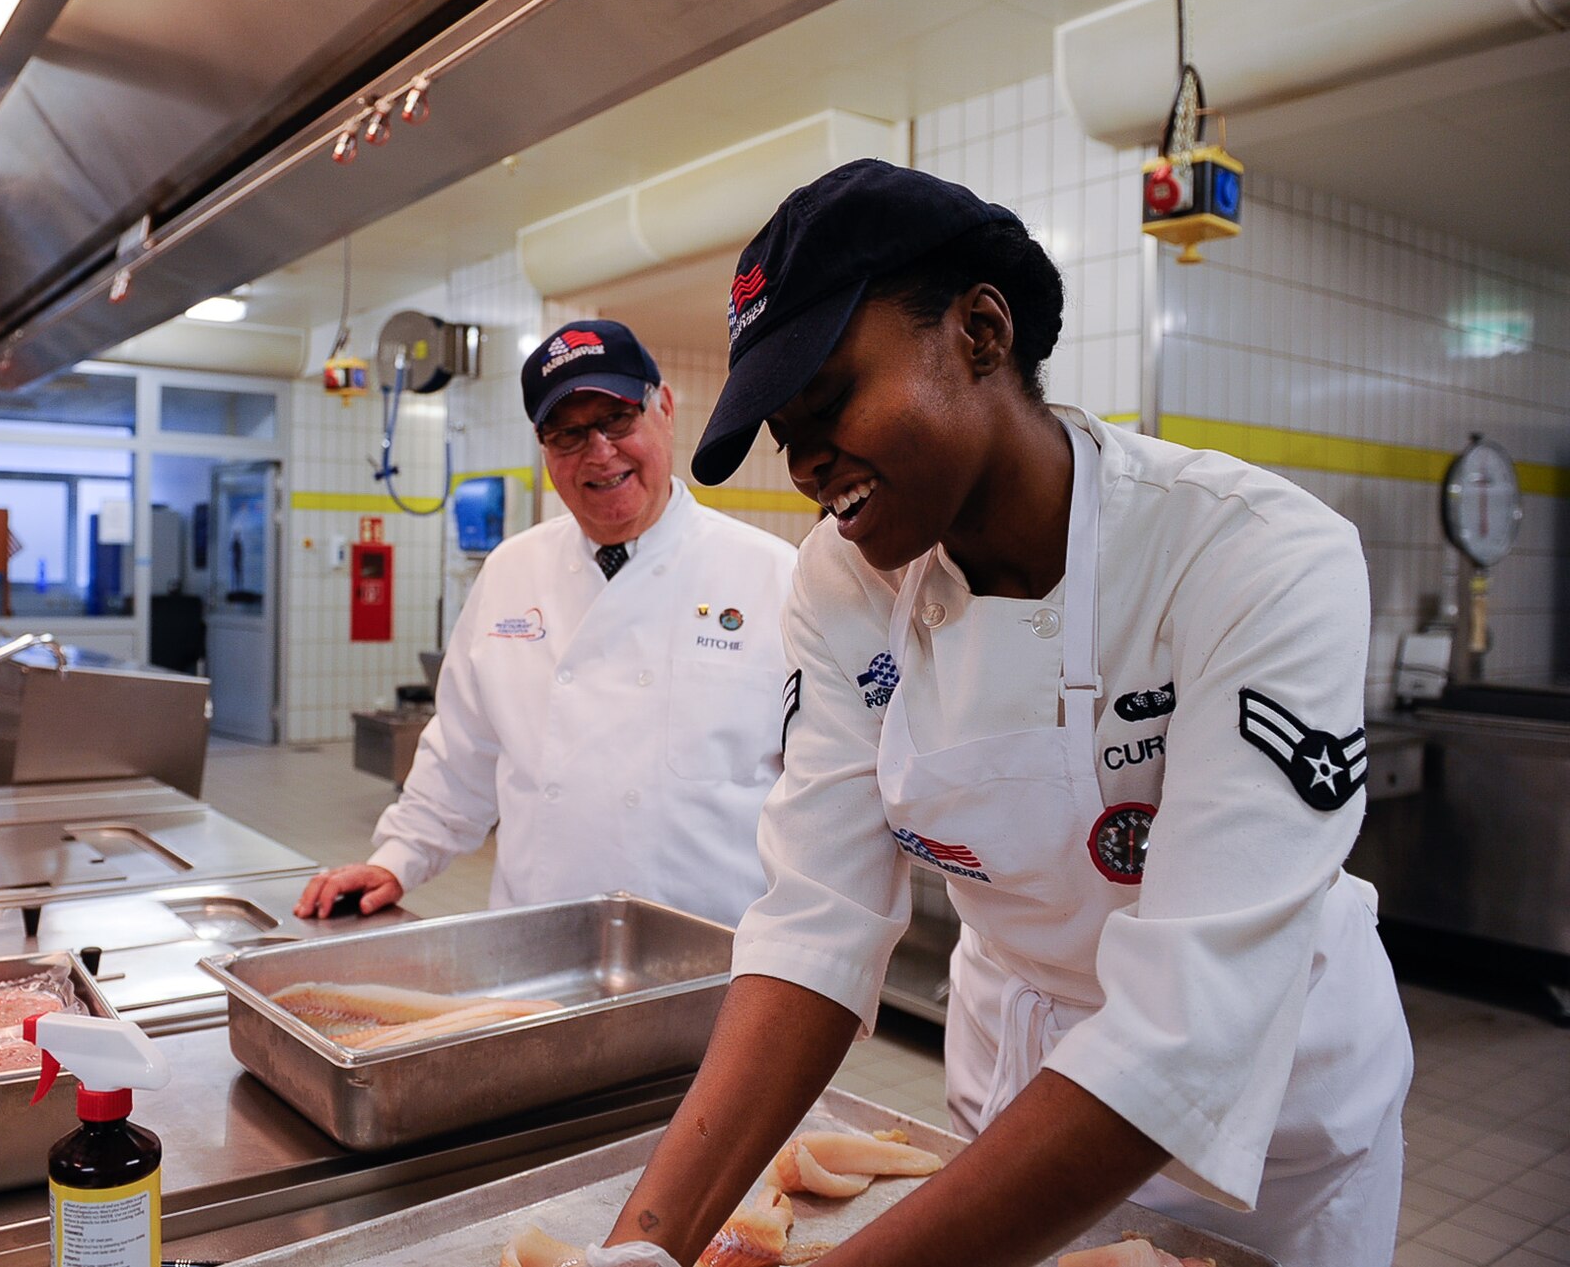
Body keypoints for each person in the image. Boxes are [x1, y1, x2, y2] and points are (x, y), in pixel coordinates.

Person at [595, 161, 1412, 1267]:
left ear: (980, 332)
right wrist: (642, 1246)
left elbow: (1189, 1024)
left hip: (1261, 1130)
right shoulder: (843, 586)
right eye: (786, 433)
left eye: (829, 399)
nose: (804, 465)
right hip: (1018, 1087)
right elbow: (817, 921)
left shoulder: (1248, 557)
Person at [295, 320, 799, 929]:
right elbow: (462, 757)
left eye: (618, 420)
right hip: (535, 948)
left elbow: (825, 797)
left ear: (663, 407)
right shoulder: (513, 571)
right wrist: (398, 858)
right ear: (544, 448)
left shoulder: (772, 576)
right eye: (568, 434)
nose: (600, 452)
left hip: (715, 958)